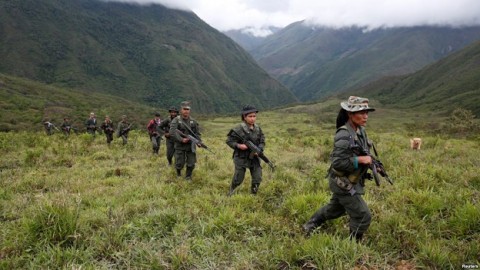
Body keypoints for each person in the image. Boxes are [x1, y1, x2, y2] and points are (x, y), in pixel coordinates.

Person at [302, 96, 376, 242]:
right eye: (361, 112)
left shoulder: (360, 131)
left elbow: (363, 152)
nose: (365, 116)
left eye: (366, 112)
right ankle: (352, 246)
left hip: (348, 180)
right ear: (350, 114)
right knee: (363, 215)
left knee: (335, 209)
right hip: (342, 183)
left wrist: (372, 163)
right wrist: (360, 160)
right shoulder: (344, 134)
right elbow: (338, 163)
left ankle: (310, 224)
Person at [226, 105, 266, 195]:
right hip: (241, 157)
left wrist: (259, 149)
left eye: (254, 116)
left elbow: (262, 141)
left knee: (257, 177)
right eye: (250, 116)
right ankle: (231, 192)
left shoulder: (258, 128)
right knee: (238, 178)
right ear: (244, 117)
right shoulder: (238, 129)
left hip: (254, 158)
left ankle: (253, 194)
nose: (253, 119)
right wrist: (239, 145)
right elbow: (229, 141)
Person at [169, 101, 201, 180]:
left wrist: (199, 141)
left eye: (188, 109)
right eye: (184, 109)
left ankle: (188, 177)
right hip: (180, 145)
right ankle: (178, 174)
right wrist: (181, 139)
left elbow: (197, 133)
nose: (186, 111)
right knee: (179, 163)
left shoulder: (193, 121)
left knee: (191, 163)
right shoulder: (176, 120)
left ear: (189, 110)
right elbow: (172, 132)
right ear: (181, 110)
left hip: (190, 146)